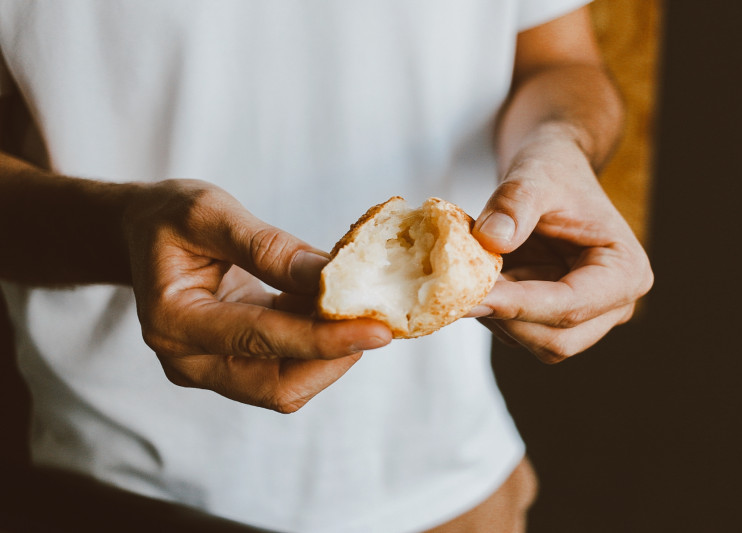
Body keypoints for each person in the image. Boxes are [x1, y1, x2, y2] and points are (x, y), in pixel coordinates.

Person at [0, 1, 652, 532]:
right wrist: (116, 234)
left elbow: (558, 62)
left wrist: (556, 143)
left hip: (450, 485)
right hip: (116, 488)